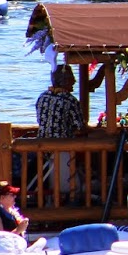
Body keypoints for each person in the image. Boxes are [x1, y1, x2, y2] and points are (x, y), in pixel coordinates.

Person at [36, 65, 84, 199]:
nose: (74, 82)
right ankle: (71, 197)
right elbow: (80, 128)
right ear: (65, 81)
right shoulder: (70, 100)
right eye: (71, 79)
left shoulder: (42, 97)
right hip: (61, 148)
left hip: (41, 147)